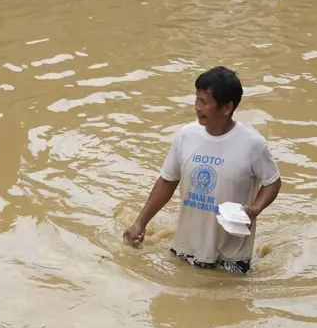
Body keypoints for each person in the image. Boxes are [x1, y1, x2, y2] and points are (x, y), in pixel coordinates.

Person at [121, 66, 282, 272]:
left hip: (231, 259)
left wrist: (254, 210)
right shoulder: (186, 136)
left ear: (227, 108)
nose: (197, 107)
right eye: (197, 99)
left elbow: (272, 182)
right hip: (184, 249)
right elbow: (167, 182)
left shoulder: (253, 144)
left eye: (204, 102)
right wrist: (139, 224)